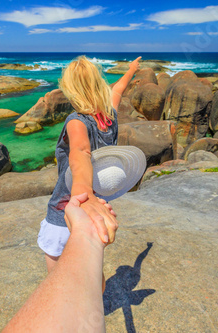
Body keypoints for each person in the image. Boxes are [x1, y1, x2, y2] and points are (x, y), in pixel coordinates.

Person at [37, 56, 141, 275]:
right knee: (91, 272)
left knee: (57, 276)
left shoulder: (77, 121)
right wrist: (132, 70)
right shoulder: (110, 115)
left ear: (70, 90)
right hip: (96, 209)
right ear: (99, 83)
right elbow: (119, 89)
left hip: (66, 211)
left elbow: (80, 152)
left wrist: (84, 196)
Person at [2, 193, 116, 333]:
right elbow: (81, 180)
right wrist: (87, 232)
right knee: (70, 272)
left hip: (63, 220)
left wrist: (85, 230)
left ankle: (87, 302)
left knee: (63, 275)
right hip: (57, 224)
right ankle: (87, 303)